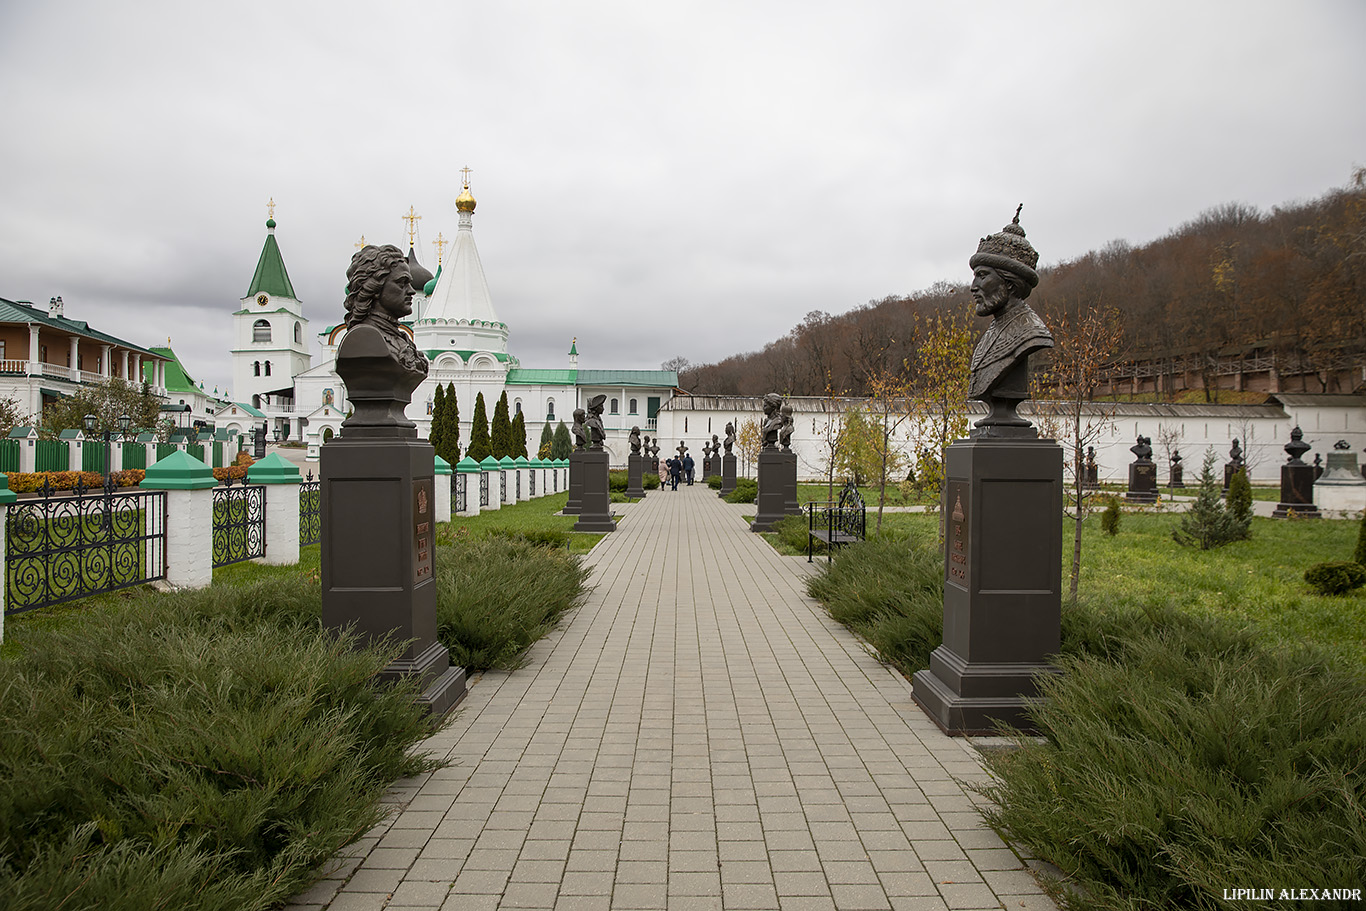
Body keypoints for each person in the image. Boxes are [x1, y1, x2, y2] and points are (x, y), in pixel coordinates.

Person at [966, 206, 1053, 433]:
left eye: (982, 276)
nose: (973, 287)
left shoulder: (1031, 333)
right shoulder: (991, 335)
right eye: (975, 276)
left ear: (1011, 283)